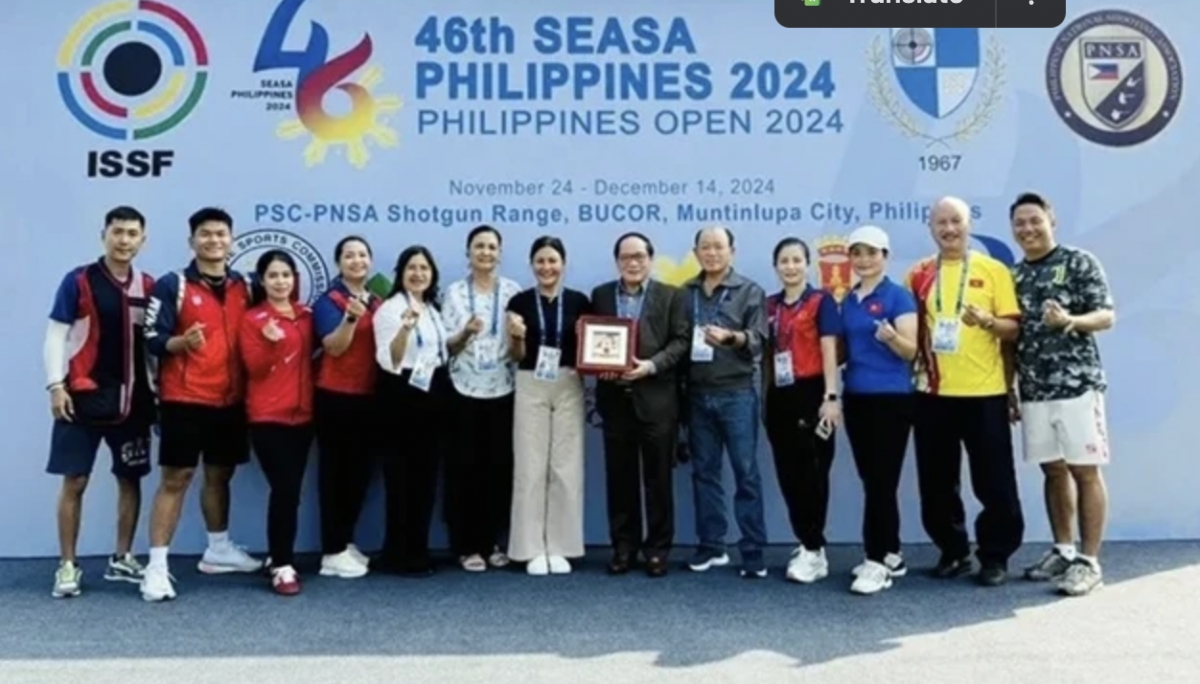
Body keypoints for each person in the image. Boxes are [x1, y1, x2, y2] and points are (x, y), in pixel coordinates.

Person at [141, 207, 260, 602]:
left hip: (230, 401)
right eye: (205, 235)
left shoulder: (246, 284)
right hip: (184, 399)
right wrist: (180, 343)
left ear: (231, 240)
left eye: (221, 234)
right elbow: (152, 339)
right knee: (175, 481)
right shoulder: (171, 284)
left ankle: (218, 548)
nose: (214, 241)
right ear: (192, 241)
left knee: (219, 476)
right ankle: (156, 568)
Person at [907, 196, 1024, 587]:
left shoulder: (994, 271)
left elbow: (1014, 330)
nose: (949, 229)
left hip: (985, 394)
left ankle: (995, 557)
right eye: (940, 222)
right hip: (932, 394)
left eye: (955, 221)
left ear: (968, 224)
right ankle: (953, 550)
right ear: (930, 228)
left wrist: (989, 321)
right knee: (937, 484)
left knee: (994, 483)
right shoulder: (918, 274)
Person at [43, 206, 155, 598]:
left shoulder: (150, 286)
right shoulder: (79, 281)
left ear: (143, 239)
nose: (124, 240)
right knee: (75, 480)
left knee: (130, 478)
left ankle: (122, 558)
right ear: (103, 234)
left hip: (133, 403)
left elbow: (153, 349)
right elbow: (56, 335)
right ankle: (68, 566)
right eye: (117, 232)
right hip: (82, 398)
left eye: (132, 233)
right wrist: (55, 385)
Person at [1009, 192, 1115, 597]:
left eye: (1034, 220)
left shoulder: (1078, 262)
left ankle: (1089, 562)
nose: (1028, 229)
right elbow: (1012, 337)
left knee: (1085, 471)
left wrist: (1070, 320)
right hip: (1034, 389)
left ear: (1051, 219)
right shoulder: (1014, 275)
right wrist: (1010, 389)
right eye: (1020, 223)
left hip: (1077, 387)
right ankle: (1064, 550)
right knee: (1052, 470)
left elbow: (1106, 314)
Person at [591, 232, 689, 578]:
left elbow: (681, 341)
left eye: (639, 256)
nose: (633, 263)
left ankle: (658, 550)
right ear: (617, 260)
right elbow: (594, 340)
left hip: (658, 400)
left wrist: (651, 365)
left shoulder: (671, 296)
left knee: (658, 480)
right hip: (615, 401)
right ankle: (623, 548)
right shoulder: (601, 295)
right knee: (619, 479)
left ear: (650, 259)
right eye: (625, 257)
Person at [683, 226, 770, 579]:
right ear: (696, 252)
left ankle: (752, 550)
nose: (712, 253)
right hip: (697, 394)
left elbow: (759, 340)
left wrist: (731, 338)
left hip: (736, 394)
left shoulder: (750, 291)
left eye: (719, 247)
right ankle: (711, 545)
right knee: (704, 473)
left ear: (732, 251)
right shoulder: (684, 292)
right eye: (706, 247)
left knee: (746, 474)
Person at [838, 226, 920, 595]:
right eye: (857, 253)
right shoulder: (848, 300)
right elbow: (841, 350)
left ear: (885, 256)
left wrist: (892, 338)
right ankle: (892, 553)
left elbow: (910, 351)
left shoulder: (898, 296)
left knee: (882, 481)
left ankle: (875, 561)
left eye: (872, 252)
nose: (864, 260)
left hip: (892, 399)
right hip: (856, 397)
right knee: (873, 480)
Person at [505, 236, 591, 576]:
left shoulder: (580, 302)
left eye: (552, 260)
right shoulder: (519, 302)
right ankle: (529, 548)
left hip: (569, 381)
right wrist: (516, 336)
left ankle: (561, 546)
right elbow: (515, 357)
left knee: (566, 468)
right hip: (530, 382)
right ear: (531, 265)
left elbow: (593, 349)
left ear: (564, 264)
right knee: (530, 467)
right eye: (540, 261)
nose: (546, 267)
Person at [441, 225, 522, 572]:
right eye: (479, 246)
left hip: (503, 389)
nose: (485, 252)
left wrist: (518, 337)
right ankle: (465, 545)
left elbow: (519, 352)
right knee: (463, 469)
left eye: (492, 247)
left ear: (500, 253)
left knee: (498, 469)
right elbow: (447, 347)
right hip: (463, 390)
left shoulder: (514, 292)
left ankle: (491, 542)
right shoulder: (455, 293)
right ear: (468, 252)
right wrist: (465, 333)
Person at [762, 237, 843, 584]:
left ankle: (815, 549)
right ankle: (805, 541)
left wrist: (831, 396)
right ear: (776, 266)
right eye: (784, 260)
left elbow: (829, 350)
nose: (790, 266)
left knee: (813, 474)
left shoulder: (820, 301)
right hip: (780, 394)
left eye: (797, 260)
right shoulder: (769, 305)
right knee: (789, 474)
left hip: (814, 392)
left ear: (807, 265)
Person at [372, 246, 451, 576]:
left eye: (424, 268)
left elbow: (440, 352)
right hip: (400, 398)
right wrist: (404, 328)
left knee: (425, 478)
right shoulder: (389, 310)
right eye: (411, 268)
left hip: (431, 394)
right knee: (401, 479)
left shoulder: (433, 308)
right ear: (400, 273)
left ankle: (417, 548)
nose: (418, 273)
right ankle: (399, 553)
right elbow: (390, 360)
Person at [239, 250, 314, 596]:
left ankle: (277, 555)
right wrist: (270, 344)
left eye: (286, 275)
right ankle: (283, 565)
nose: (281, 281)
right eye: (273, 275)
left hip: (304, 417)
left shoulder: (306, 316)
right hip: (268, 417)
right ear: (262, 280)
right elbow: (254, 370)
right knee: (284, 490)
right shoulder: (253, 319)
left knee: (292, 491)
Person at [312, 236, 379, 579]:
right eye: (349, 256)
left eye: (362, 255)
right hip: (335, 398)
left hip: (368, 399)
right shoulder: (329, 301)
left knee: (358, 476)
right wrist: (351, 319)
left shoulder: (378, 299)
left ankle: (345, 540)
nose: (357, 261)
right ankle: (331, 550)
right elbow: (334, 348)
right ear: (339, 263)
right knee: (334, 477)